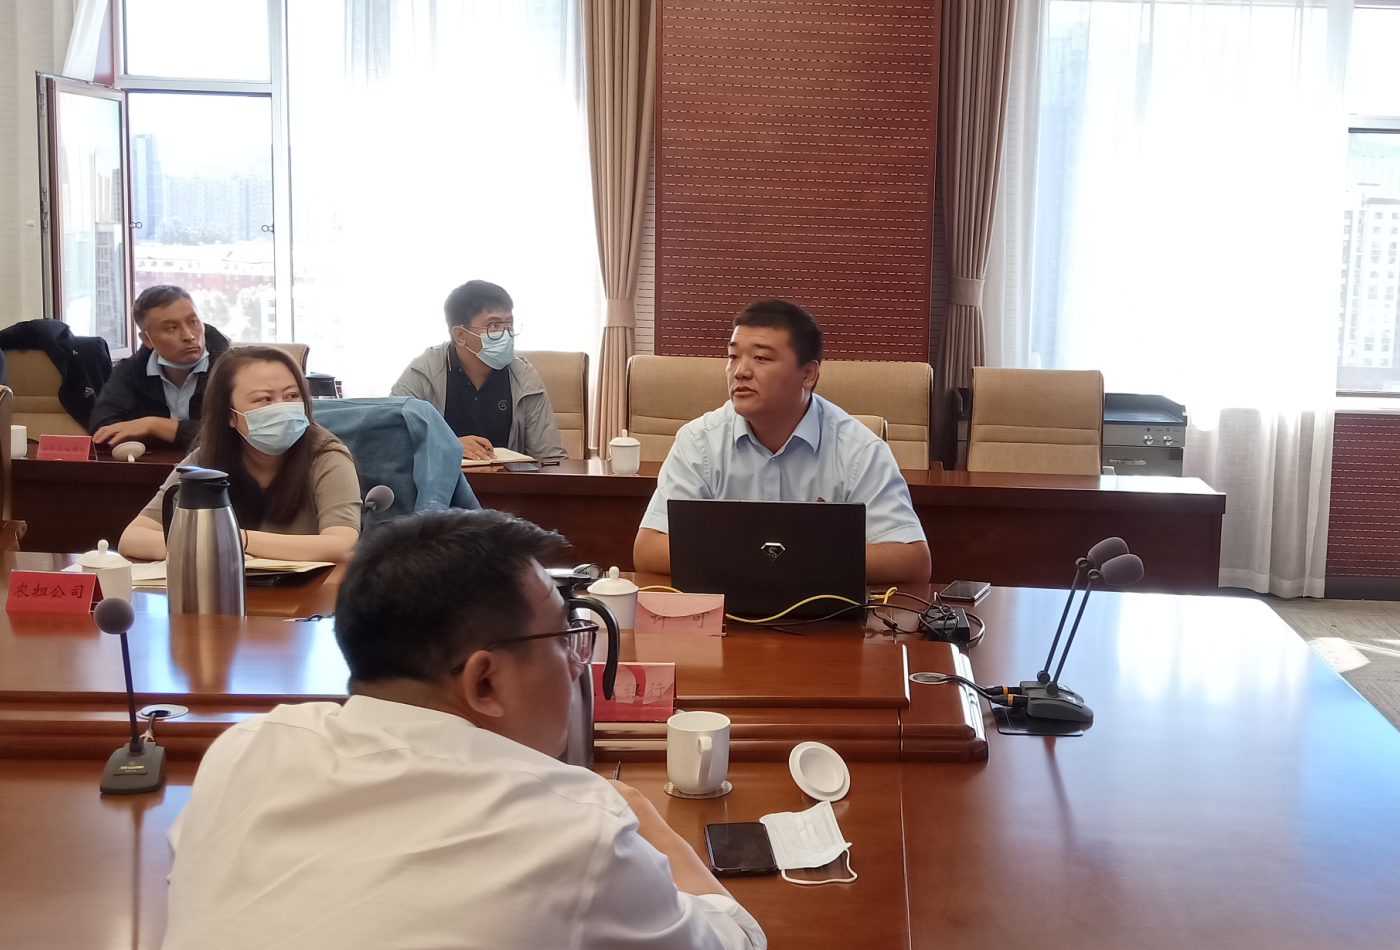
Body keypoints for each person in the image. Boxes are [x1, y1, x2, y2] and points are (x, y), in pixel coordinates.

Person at [160, 509, 766, 950]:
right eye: (564, 637)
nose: (577, 662)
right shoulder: (577, 831)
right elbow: (736, 940)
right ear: (484, 681)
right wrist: (648, 821)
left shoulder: (244, 751)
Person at [634, 300, 931, 585]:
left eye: (761, 358)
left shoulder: (859, 450)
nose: (740, 371)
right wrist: (768, 558)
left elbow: (912, 560)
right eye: (733, 356)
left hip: (823, 614)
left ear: (808, 374)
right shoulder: (699, 442)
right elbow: (648, 549)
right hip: (724, 612)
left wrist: (779, 560)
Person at [119, 347, 362, 564]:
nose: (282, 407)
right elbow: (133, 538)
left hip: (309, 595)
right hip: (227, 591)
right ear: (229, 415)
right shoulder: (207, 459)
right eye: (264, 399)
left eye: (292, 396)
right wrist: (215, 548)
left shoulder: (327, 455)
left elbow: (342, 545)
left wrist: (237, 540)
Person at [391, 279, 566, 461]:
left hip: (506, 478)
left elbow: (551, 458)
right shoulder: (423, 372)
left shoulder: (524, 377)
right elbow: (390, 441)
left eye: (509, 325)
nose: (506, 334)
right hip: (441, 478)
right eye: (494, 326)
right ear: (460, 335)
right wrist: (447, 445)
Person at [88, 285, 232, 448]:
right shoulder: (131, 371)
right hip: (151, 463)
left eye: (193, 322)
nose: (189, 336)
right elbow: (102, 428)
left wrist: (154, 426)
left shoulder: (230, 369)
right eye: (172, 328)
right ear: (147, 339)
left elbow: (235, 433)